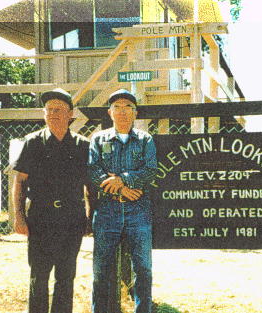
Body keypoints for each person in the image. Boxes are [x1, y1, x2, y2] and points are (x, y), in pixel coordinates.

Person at [12, 88, 91, 313]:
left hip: (71, 219)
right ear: (43, 113)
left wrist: (89, 216)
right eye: (49, 110)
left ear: (70, 114)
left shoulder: (82, 145)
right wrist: (19, 217)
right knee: (39, 275)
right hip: (40, 218)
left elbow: (90, 186)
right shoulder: (32, 143)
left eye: (59, 109)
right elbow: (19, 183)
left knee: (66, 276)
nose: (53, 114)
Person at [88, 89, 157, 313]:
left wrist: (122, 180)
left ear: (135, 113)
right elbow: (93, 171)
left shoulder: (146, 140)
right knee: (101, 271)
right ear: (110, 112)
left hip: (139, 212)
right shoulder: (98, 139)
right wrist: (122, 191)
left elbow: (150, 171)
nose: (122, 111)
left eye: (128, 106)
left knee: (143, 270)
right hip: (107, 212)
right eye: (117, 107)